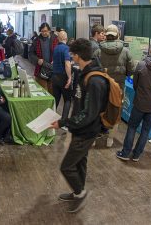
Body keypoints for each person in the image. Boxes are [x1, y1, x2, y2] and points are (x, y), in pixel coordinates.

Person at [49, 38, 108, 213]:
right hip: (80, 129)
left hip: (86, 131)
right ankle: (78, 192)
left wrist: (63, 122)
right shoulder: (84, 73)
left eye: (72, 54)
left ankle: (80, 193)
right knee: (80, 163)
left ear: (79, 56)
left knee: (66, 166)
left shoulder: (95, 81)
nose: (71, 57)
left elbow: (89, 113)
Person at [117, 41, 151, 162]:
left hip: (140, 102)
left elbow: (135, 84)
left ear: (150, 50)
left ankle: (125, 152)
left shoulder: (141, 65)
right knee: (145, 130)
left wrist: (141, 92)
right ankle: (136, 155)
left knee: (132, 127)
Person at [94, 24, 133, 147]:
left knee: (98, 112)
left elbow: (93, 69)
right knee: (115, 112)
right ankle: (110, 140)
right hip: (118, 87)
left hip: (101, 87)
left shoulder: (98, 51)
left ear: (106, 34)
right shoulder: (126, 51)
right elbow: (131, 70)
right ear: (118, 35)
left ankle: (94, 139)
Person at [51, 31, 73, 121]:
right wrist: (69, 77)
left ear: (58, 39)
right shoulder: (66, 49)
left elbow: (53, 62)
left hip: (54, 77)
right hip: (63, 77)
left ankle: (50, 120)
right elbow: (67, 64)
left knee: (56, 99)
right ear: (66, 39)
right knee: (67, 100)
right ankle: (63, 121)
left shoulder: (56, 48)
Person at [31, 23, 54, 94]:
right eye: (42, 31)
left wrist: (55, 59)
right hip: (40, 69)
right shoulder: (36, 40)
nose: (44, 33)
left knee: (52, 92)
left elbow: (57, 52)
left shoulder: (54, 39)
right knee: (42, 92)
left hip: (52, 70)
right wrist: (37, 59)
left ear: (49, 31)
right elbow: (31, 53)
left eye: (46, 31)